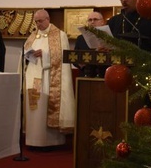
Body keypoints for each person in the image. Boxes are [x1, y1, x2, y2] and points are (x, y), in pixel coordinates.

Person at [23, 9, 75, 150]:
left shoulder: (59, 35)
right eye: (36, 21)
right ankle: (33, 139)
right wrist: (28, 55)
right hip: (33, 76)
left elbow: (62, 58)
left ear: (48, 19)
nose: (38, 24)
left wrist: (44, 55)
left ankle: (50, 141)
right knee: (34, 107)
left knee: (44, 107)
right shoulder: (33, 36)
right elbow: (24, 55)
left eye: (40, 21)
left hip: (48, 78)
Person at [74, 11, 105, 77]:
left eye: (95, 19)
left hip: (104, 74)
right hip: (86, 74)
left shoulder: (108, 38)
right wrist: (79, 64)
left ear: (102, 22)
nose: (92, 22)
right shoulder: (80, 38)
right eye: (90, 20)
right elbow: (74, 56)